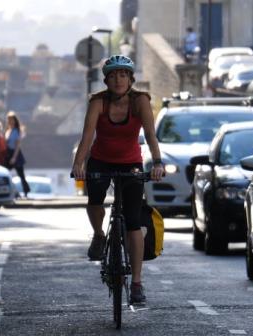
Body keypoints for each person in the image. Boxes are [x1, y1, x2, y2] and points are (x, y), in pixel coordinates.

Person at [71, 55, 164, 305]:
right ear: (106, 80)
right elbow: (87, 136)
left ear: (131, 79)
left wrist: (157, 162)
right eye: (113, 75)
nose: (118, 79)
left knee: (133, 222)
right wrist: (79, 164)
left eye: (123, 75)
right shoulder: (98, 102)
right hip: (101, 160)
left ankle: (136, 283)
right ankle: (99, 235)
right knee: (95, 199)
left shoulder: (140, 101)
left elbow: (151, 135)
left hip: (130, 162)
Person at [5, 111, 31, 198]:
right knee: (5, 173)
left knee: (21, 175)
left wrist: (14, 158)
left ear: (15, 120)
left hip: (16, 154)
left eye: (12, 120)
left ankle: (26, 191)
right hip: (8, 154)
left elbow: (17, 146)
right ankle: (12, 191)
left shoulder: (17, 131)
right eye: (9, 120)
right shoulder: (8, 131)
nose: (10, 121)